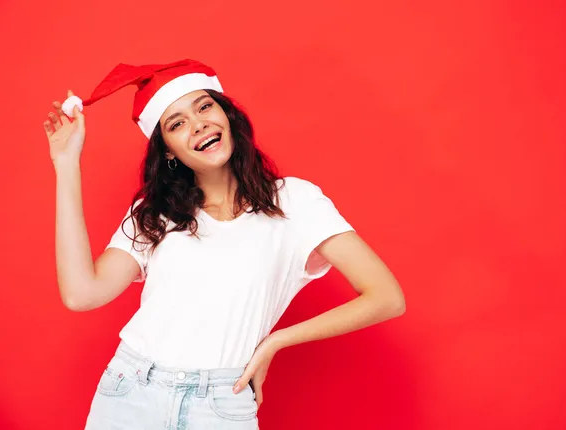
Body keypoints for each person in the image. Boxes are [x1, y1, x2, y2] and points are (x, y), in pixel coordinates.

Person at [43, 59, 406, 429]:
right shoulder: (154, 213)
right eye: (177, 123)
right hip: (132, 392)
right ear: (168, 151)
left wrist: (275, 341)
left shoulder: (295, 203)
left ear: (227, 116)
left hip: (220, 404)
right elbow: (81, 294)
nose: (198, 123)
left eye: (204, 107)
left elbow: (386, 296)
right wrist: (67, 164)